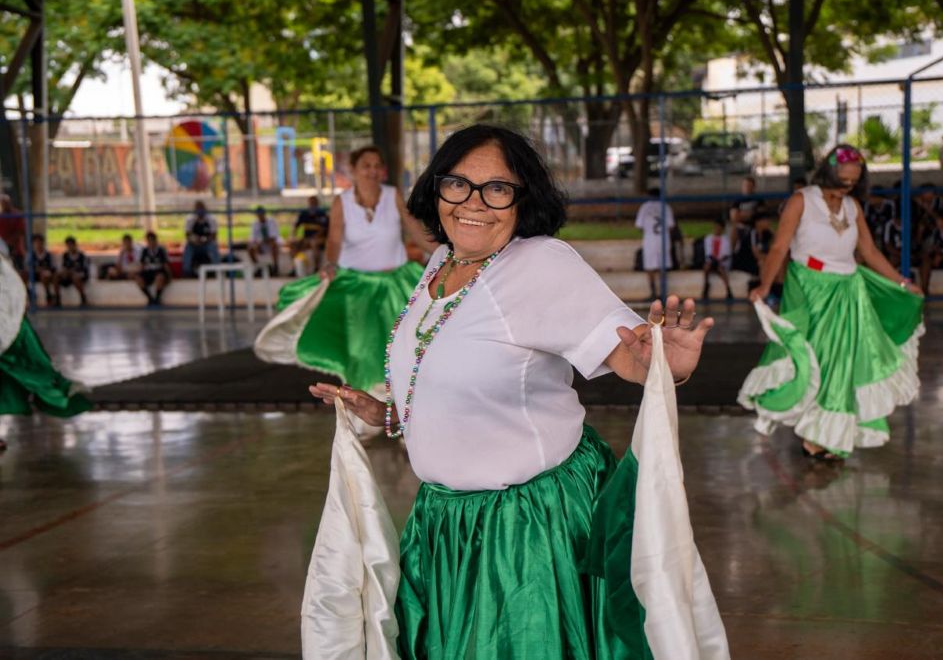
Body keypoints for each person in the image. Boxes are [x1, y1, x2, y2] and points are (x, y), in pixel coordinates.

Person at [305, 124, 719, 658]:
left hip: (526, 530)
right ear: (436, 189)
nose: (474, 202)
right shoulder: (442, 262)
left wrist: (668, 364)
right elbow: (455, 374)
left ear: (523, 200)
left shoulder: (541, 263)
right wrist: (390, 414)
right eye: (458, 184)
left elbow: (626, 354)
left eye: (497, 188)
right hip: (444, 527)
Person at [740, 144, 923, 461]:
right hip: (810, 290)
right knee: (816, 359)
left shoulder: (852, 207)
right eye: (842, 179)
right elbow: (780, 246)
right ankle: (816, 430)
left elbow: (869, 252)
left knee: (844, 363)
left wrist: (903, 283)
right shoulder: (802, 201)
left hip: (849, 292)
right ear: (828, 172)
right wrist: (765, 285)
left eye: (853, 182)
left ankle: (825, 435)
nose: (846, 186)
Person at [255, 146, 436, 393]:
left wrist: (448, 250)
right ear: (353, 170)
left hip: (396, 283)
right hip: (357, 288)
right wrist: (330, 264)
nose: (372, 171)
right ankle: (363, 411)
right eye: (366, 165)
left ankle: (404, 409)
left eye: (376, 166)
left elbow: (416, 230)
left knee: (408, 348)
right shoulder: (343, 202)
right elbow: (334, 240)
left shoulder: (393, 195)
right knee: (361, 351)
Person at [0, 250, 90, 426]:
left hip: (7, 329)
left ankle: (54, 394)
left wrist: (16, 304)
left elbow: (8, 287)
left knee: (18, 373)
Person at [634, 188, 676, 300]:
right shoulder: (666, 207)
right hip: (663, 239)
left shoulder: (645, 207)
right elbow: (671, 226)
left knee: (650, 267)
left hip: (650, 239)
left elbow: (639, 226)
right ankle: (663, 293)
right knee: (663, 266)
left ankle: (653, 293)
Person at [289, 196, 329, 275]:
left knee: (314, 244)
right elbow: (296, 226)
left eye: (314, 202)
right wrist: (293, 236)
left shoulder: (322, 214)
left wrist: (314, 237)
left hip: (319, 238)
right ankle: (295, 267)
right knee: (293, 244)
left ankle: (316, 268)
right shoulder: (304, 214)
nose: (312, 204)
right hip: (306, 238)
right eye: (311, 202)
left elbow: (324, 229)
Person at [182, 200, 220, 277]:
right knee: (187, 248)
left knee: (213, 246)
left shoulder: (211, 219)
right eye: (197, 208)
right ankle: (187, 271)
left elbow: (214, 235)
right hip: (194, 244)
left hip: (207, 244)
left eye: (201, 208)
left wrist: (205, 240)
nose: (199, 211)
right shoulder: (190, 219)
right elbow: (188, 234)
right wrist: (195, 240)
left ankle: (217, 270)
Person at [729, 175, 765, 251]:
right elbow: (734, 217)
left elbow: (761, 214)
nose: (747, 187)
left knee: (763, 226)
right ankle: (732, 254)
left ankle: (761, 248)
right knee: (734, 229)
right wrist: (751, 213)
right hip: (741, 225)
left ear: (754, 187)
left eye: (749, 185)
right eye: (745, 185)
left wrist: (742, 214)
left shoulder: (758, 200)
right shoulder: (737, 200)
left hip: (755, 225)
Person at [136, 231, 171, 305]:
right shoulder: (144, 251)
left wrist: (169, 275)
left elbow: (165, 264)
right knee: (139, 279)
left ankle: (157, 298)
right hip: (148, 271)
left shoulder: (161, 250)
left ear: (156, 240)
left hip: (159, 271)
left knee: (159, 277)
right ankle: (150, 298)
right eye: (149, 241)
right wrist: (138, 274)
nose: (151, 243)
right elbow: (142, 264)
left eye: (152, 240)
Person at [702, 219, 733, 300]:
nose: (717, 230)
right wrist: (713, 260)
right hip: (712, 260)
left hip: (722, 262)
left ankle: (728, 289)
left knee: (720, 268)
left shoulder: (726, 239)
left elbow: (726, 253)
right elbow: (708, 252)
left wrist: (719, 260)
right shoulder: (708, 238)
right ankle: (706, 285)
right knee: (706, 267)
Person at [56, 236, 90, 306]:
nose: (70, 247)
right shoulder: (65, 255)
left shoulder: (81, 256)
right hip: (68, 275)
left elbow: (84, 269)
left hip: (80, 274)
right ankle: (57, 298)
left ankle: (83, 297)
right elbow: (64, 267)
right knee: (56, 276)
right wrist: (65, 272)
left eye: (71, 245)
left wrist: (73, 271)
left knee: (75, 277)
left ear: (75, 245)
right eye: (68, 245)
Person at [249, 206, 281, 275]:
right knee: (251, 248)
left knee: (274, 245)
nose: (260, 216)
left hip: (271, 244)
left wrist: (262, 241)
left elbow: (273, 237)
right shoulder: (255, 224)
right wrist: (258, 243)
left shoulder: (272, 222)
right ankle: (258, 267)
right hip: (261, 245)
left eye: (261, 214)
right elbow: (253, 238)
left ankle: (275, 266)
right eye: (258, 215)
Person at [27, 234, 58, 305]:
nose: (38, 245)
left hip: (47, 274)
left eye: (39, 243)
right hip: (35, 274)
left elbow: (53, 268)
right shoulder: (31, 255)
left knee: (44, 275)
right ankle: (29, 294)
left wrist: (44, 269)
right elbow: (28, 267)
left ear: (43, 243)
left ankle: (48, 294)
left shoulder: (49, 255)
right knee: (24, 275)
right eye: (36, 243)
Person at [864, 185, 895, 250]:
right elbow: (866, 220)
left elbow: (893, 221)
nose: (870, 199)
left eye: (873, 197)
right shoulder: (868, 205)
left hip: (887, 232)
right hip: (873, 232)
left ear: (880, 198)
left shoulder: (889, 205)